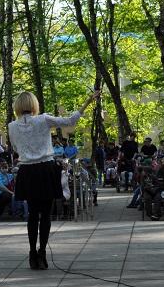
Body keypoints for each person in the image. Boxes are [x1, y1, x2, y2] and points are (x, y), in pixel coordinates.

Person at [7, 89, 98, 270]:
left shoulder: (12, 126)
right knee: (46, 214)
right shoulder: (43, 119)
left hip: (27, 170)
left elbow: (16, 148)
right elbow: (70, 121)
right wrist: (88, 100)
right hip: (46, 168)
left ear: (17, 106)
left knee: (32, 214)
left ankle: (32, 253)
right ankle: (42, 253)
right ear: (33, 105)